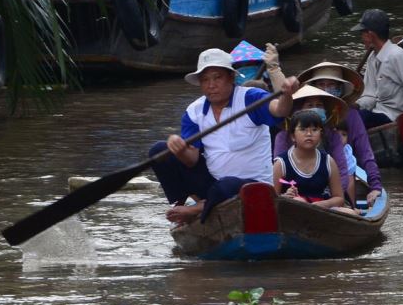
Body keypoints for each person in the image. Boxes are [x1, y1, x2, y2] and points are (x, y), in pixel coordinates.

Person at [151, 48, 298, 224]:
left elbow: (281, 109)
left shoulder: (250, 98)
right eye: (205, 80)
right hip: (214, 185)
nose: (211, 85)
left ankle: (198, 209)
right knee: (160, 151)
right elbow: (191, 160)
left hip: (253, 187)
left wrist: (287, 94)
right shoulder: (194, 112)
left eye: (217, 77)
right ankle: (186, 204)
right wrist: (180, 148)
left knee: (227, 185)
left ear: (231, 77)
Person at [267, 56, 384, 207]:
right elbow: (277, 184)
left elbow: (360, 156)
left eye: (331, 85)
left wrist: (375, 186)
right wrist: (290, 194)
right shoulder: (284, 139)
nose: (309, 133)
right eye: (321, 85)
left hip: (327, 196)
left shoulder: (333, 138)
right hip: (293, 198)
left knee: (348, 198)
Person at [355, 8, 403, 128]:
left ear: (370, 35)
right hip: (377, 113)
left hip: (395, 117)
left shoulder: (397, 55)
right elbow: (370, 96)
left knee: (357, 118)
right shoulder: (372, 58)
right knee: (350, 115)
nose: (361, 38)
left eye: (362, 34)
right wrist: (354, 106)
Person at [273, 102, 346, 211]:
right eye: (303, 129)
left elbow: (339, 198)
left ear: (321, 135)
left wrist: (322, 204)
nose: (309, 134)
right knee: (298, 202)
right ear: (293, 136)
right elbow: (272, 199)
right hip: (292, 212)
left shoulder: (328, 161)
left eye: (314, 130)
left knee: (350, 212)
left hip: (322, 210)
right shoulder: (281, 163)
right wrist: (285, 197)